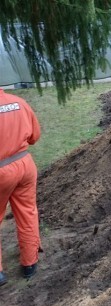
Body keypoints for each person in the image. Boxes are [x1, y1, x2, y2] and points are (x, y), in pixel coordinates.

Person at [0, 88, 42, 286]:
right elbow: (34, 136)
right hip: (25, 165)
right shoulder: (18, 102)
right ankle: (30, 263)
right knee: (27, 212)